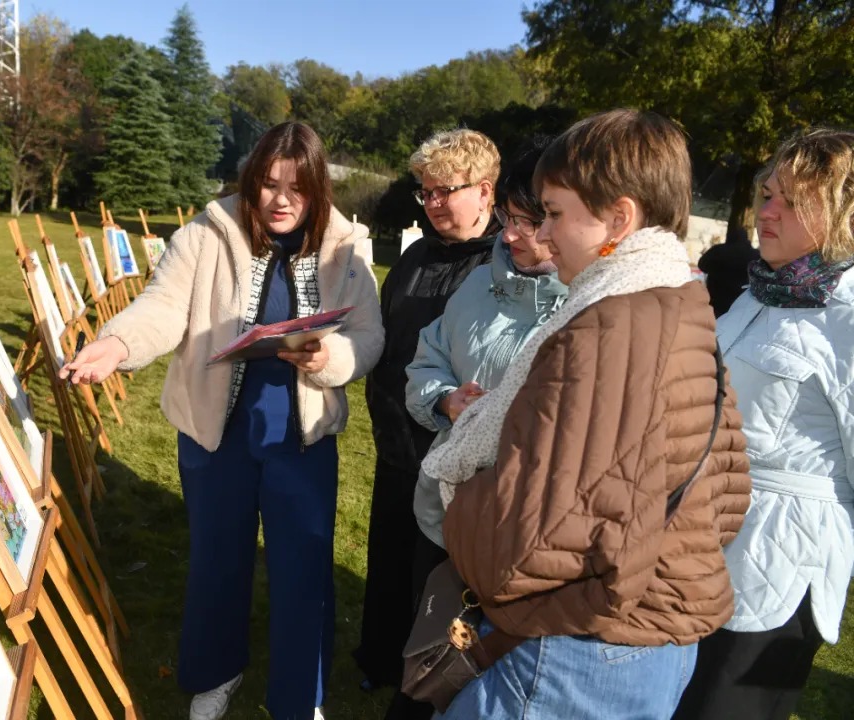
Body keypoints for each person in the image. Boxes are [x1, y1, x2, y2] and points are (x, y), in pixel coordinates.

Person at [420, 109, 752, 719]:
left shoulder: (612, 325)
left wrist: (462, 506)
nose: (542, 236)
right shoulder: (677, 301)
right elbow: (727, 491)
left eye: (553, 213)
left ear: (619, 219)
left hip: (583, 652)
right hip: (645, 634)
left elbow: (530, 539)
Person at [61, 121, 384, 720]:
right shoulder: (205, 234)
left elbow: (368, 335)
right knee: (217, 559)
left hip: (302, 440)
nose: (281, 200)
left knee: (303, 571)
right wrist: (117, 345)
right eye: (268, 184)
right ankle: (216, 673)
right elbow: (162, 306)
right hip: (216, 437)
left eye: (298, 187)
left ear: (318, 190)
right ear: (250, 182)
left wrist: (329, 357)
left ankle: (298, 700)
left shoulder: (347, 246)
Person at [378, 137, 569, 720]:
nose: (509, 236)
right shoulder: (478, 283)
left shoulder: (586, 306)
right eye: (509, 221)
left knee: (490, 667)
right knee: (431, 639)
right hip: (442, 509)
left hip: (517, 530)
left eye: (528, 223)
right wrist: (445, 403)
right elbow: (424, 361)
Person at [673, 128, 854, 720]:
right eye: (768, 193)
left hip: (778, 564)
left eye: (792, 201)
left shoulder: (847, 318)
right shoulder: (758, 293)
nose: (767, 210)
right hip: (705, 539)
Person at [355, 128, 501, 694]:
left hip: (453, 455)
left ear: (485, 193)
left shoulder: (500, 269)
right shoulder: (414, 255)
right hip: (396, 444)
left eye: (446, 191)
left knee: (435, 577)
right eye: (427, 192)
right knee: (388, 560)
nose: (433, 203)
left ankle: (429, 678)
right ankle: (379, 661)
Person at [698, 224, 760, 317]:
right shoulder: (755, 255)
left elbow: (702, 265)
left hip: (717, 298)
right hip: (742, 300)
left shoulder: (718, 251)